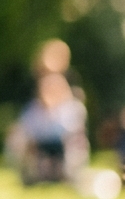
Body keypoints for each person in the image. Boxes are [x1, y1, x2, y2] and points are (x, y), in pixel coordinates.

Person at [6, 52, 89, 186]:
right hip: (39, 150)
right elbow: (27, 132)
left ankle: (66, 175)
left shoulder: (72, 109)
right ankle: (32, 176)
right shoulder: (33, 110)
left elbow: (72, 134)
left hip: (63, 150)